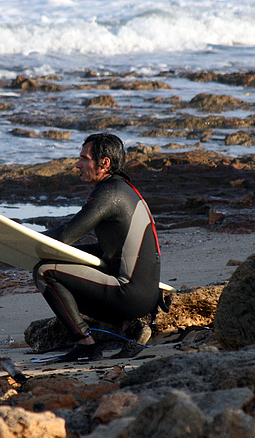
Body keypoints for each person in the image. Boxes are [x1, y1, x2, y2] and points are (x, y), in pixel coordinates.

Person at [33, 133, 162, 361]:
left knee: (44, 271)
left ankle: (85, 344)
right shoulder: (123, 190)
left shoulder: (109, 193)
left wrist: (24, 236)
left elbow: (66, 235)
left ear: (104, 163)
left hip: (129, 295)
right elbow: (109, 250)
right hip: (146, 295)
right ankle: (130, 327)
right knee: (69, 261)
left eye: (84, 158)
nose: (77, 164)